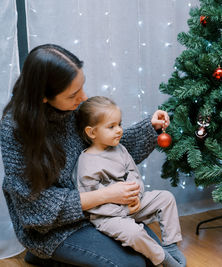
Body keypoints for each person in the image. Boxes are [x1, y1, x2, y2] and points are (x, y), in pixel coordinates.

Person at [1, 44, 170, 267]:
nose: (84, 97)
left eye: (82, 87)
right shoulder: (14, 130)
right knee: (133, 265)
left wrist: (151, 127)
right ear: (43, 96)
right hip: (53, 229)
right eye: (73, 94)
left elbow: (106, 148)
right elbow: (36, 209)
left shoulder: (72, 111)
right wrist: (107, 195)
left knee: (152, 254)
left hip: (99, 211)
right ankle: (45, 254)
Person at [74, 96, 185, 267]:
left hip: (132, 204)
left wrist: (136, 197)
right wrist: (122, 209)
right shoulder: (87, 163)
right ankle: (164, 259)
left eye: (119, 124)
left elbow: (133, 174)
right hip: (108, 217)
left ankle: (170, 246)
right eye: (111, 127)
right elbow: (92, 204)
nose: (119, 130)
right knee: (134, 233)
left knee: (166, 198)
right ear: (92, 132)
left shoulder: (120, 149)